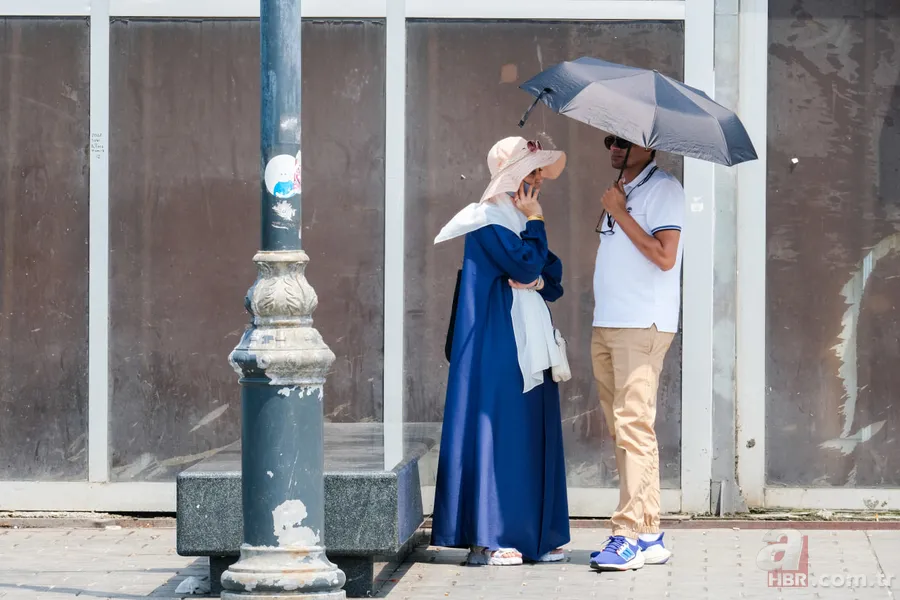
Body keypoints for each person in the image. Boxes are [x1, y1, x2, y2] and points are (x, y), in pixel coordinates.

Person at [430, 136, 571, 566]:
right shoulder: (487, 220)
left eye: (539, 172)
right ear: (511, 176)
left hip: (527, 345)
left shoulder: (516, 219)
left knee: (531, 432)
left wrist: (538, 276)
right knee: (501, 432)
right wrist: (537, 225)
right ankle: (491, 537)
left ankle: (535, 537)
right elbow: (527, 263)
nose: (538, 181)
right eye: (531, 172)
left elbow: (551, 275)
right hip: (499, 344)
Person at [588, 135, 685, 571]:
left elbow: (665, 257)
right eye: (610, 139)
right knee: (624, 429)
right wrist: (619, 206)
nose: (614, 146)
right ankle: (648, 533)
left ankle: (625, 535)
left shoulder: (663, 188)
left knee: (633, 426)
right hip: (609, 321)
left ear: (650, 146)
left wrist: (620, 213)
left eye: (624, 141)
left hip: (641, 323)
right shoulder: (623, 189)